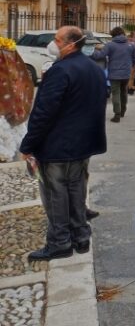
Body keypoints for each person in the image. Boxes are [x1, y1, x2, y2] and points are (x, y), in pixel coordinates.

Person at [19, 26, 107, 261]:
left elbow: (44, 112)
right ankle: (80, 236)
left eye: (57, 40)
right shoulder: (94, 69)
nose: (53, 44)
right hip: (83, 144)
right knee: (76, 190)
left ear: (70, 44)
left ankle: (59, 242)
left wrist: (28, 144)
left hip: (58, 145)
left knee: (55, 193)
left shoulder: (61, 70)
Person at [91, 26, 135, 123]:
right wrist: (129, 66)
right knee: (124, 92)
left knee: (115, 93)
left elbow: (100, 55)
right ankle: (122, 111)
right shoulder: (131, 45)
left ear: (113, 35)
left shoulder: (110, 45)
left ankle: (117, 114)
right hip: (126, 73)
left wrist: (90, 50)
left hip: (114, 73)